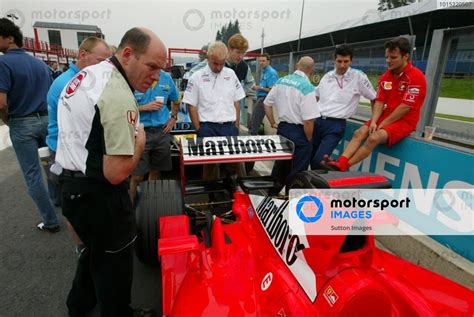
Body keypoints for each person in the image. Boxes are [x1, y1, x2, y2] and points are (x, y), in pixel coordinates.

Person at [56, 27, 166, 316]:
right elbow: (117, 173)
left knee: (94, 252)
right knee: (115, 262)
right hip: (99, 194)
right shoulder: (118, 93)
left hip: (71, 184)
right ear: (128, 54)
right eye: (152, 66)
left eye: (160, 69)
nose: (156, 76)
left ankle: (78, 306)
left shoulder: (87, 75)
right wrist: (139, 143)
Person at [45, 36, 111, 252]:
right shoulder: (67, 83)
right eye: (101, 60)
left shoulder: (92, 79)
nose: (105, 66)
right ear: (83, 55)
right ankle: (82, 248)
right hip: (69, 153)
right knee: (74, 207)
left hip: (86, 153)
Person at [322, 37, 427, 172]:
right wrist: (374, 121)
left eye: (393, 57)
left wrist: (383, 124)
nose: (388, 61)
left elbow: (405, 107)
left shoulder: (416, 76)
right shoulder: (385, 77)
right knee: (359, 133)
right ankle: (340, 161)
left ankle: (344, 166)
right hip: (385, 116)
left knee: (373, 138)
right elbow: (379, 101)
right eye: (387, 57)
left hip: (405, 121)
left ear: (405, 56)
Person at [0, 18, 60, 232]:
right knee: (52, 164)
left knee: (32, 174)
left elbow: (1, 102)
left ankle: (51, 221)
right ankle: (58, 199)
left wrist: (7, 120)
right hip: (45, 118)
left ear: (9, 38)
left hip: (22, 122)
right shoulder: (39, 63)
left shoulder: (3, 63)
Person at [182, 41, 246, 180]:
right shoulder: (196, 77)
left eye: (221, 63)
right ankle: (210, 196)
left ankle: (239, 193)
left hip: (229, 126)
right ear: (208, 59)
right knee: (210, 166)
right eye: (215, 63)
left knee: (235, 162)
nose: (218, 67)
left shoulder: (231, 74)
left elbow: (237, 101)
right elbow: (191, 105)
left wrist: (236, 125)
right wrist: (199, 128)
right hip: (208, 127)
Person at [310, 44, 376, 169]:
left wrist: (375, 121)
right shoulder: (327, 76)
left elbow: (374, 98)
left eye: (346, 61)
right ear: (334, 60)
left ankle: (318, 187)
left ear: (351, 60)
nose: (342, 65)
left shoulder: (358, 77)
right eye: (339, 61)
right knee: (309, 156)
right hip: (317, 121)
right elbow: (316, 96)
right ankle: (310, 186)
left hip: (335, 125)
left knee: (319, 160)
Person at [264, 56, 320, 193]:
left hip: (283, 129)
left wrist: (272, 122)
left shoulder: (281, 81)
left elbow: (266, 104)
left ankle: (270, 196)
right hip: (300, 132)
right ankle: (292, 200)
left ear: (296, 66)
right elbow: (308, 121)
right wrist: (308, 139)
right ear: (311, 71)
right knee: (298, 171)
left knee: (280, 166)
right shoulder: (308, 88)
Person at [129, 70, 180, 203]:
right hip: (140, 131)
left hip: (162, 132)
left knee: (156, 171)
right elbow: (123, 107)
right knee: (137, 175)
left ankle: (151, 205)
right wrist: (144, 107)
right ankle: (130, 208)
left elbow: (176, 99)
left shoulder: (166, 78)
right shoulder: (135, 75)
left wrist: (173, 118)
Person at [186, 34, 255, 94]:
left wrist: (238, 94)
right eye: (238, 52)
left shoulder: (244, 67)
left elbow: (250, 83)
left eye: (243, 53)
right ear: (229, 49)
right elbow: (191, 73)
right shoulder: (214, 60)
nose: (241, 56)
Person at [249, 53, 279, 136]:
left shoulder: (271, 73)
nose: (261, 63)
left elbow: (272, 90)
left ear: (268, 62)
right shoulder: (264, 71)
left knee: (255, 121)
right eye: (260, 61)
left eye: (263, 61)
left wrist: (259, 88)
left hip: (264, 99)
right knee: (254, 121)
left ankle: (252, 140)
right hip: (260, 97)